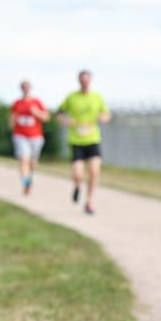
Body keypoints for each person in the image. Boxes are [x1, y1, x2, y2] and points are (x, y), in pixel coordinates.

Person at [57, 70, 110, 215]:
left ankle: (89, 202)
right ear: (79, 81)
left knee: (94, 172)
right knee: (78, 174)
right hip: (76, 140)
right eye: (82, 80)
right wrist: (66, 121)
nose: (85, 82)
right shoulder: (71, 97)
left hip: (93, 139)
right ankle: (76, 186)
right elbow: (59, 113)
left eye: (87, 80)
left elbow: (106, 114)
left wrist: (103, 117)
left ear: (90, 80)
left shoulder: (97, 97)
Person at [10, 80, 51, 195]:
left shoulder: (37, 102)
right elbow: (11, 120)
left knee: (32, 163)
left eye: (27, 87)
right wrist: (12, 123)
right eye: (23, 87)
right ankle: (25, 183)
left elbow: (47, 118)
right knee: (24, 159)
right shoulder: (16, 103)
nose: (25, 89)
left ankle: (29, 178)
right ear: (21, 89)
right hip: (20, 136)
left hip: (36, 137)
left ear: (30, 88)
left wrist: (36, 112)